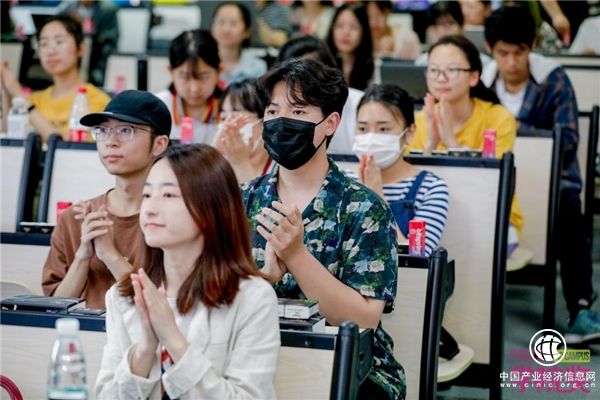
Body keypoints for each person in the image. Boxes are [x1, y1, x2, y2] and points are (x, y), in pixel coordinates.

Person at [243, 58, 406, 399]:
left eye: (298, 112)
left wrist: (296, 257)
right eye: (273, 112)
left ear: (330, 123)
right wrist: (264, 280)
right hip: (252, 355)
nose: (282, 122)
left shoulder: (364, 208)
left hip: (348, 366)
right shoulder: (242, 199)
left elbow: (363, 320)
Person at [96, 144, 280, 399]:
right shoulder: (123, 296)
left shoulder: (253, 297)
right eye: (147, 195)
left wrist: (173, 338)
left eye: (168, 195)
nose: (150, 208)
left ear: (211, 209)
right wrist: (145, 349)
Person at [482, 6, 600, 344]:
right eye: (503, 53)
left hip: (555, 178)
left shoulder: (554, 78)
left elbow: (568, 140)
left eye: (519, 52)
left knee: (568, 209)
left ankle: (579, 307)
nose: (511, 62)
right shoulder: (482, 81)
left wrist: (514, 130)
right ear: (490, 49)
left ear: (532, 45)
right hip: (496, 176)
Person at [41, 90, 171, 309]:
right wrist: (83, 256)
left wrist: (109, 255)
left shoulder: (174, 219)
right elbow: (51, 309)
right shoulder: (75, 218)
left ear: (159, 144)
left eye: (126, 130)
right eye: (102, 130)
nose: (110, 141)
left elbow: (166, 308)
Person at [406, 34, 523, 251]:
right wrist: (431, 145)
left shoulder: (498, 118)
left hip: (492, 215)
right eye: (434, 70)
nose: (441, 78)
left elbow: (492, 186)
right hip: (434, 214)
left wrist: (450, 141)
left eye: (452, 70)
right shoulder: (419, 120)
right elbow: (410, 183)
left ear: (473, 76)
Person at [352, 84, 449, 255]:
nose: (371, 137)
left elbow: (417, 256)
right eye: (362, 129)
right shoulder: (340, 181)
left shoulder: (431, 188)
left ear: (409, 133)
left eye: (383, 129)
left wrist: (377, 197)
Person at [0, 14, 110, 142]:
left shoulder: (98, 101)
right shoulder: (35, 100)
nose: (51, 51)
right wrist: (6, 90)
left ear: (81, 48)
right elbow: (7, 141)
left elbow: (67, 148)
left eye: (59, 42)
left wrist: (19, 94)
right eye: (43, 44)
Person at [276, 35, 362, 154]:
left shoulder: (360, 104)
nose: (301, 85)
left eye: (309, 76)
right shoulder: (277, 110)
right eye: (293, 77)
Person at [155, 29, 221, 143]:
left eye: (203, 77)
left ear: (218, 72)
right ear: (171, 71)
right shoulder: (156, 107)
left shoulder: (231, 110)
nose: (194, 88)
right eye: (185, 77)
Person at [213, 78, 273, 183]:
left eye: (235, 117)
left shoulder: (281, 166)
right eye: (223, 118)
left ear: (264, 119)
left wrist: (241, 164)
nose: (228, 125)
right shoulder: (219, 163)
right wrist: (213, 153)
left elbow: (254, 193)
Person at [57, 0, 119, 87]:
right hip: (72, 52)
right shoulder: (66, 8)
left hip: (97, 56)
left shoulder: (108, 9)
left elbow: (110, 37)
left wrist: (86, 26)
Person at [415, 1, 492, 66]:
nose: (445, 29)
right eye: (440, 24)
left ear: (461, 26)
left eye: (450, 23)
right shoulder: (423, 62)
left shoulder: (482, 62)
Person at [211, 2, 267, 86]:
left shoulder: (258, 68)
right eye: (221, 22)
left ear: (247, 30)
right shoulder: (204, 64)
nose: (226, 29)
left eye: (233, 23)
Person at [326, 2, 374, 91]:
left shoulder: (373, 68)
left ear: (364, 32)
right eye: (340, 26)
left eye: (353, 27)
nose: (346, 32)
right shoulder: (321, 65)